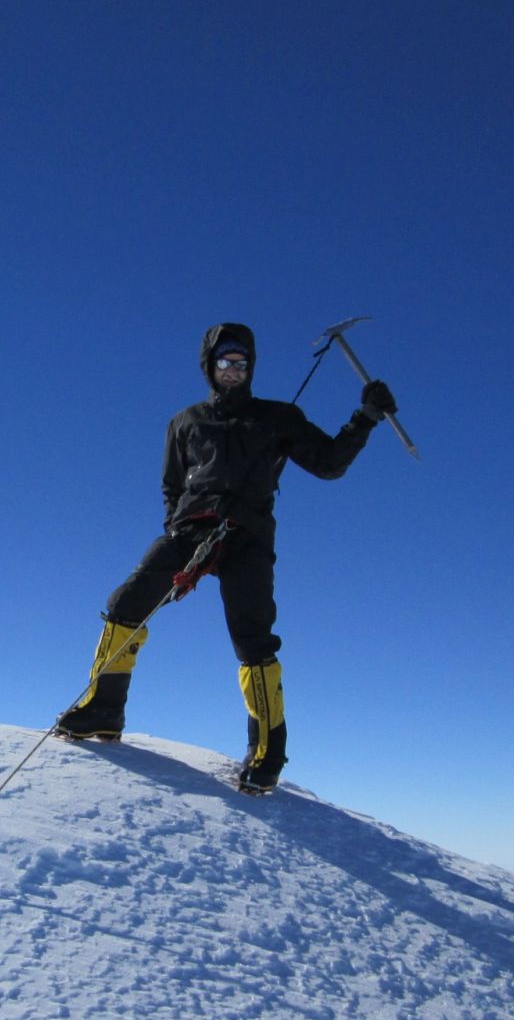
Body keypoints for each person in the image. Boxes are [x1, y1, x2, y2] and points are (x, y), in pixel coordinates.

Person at [52, 321, 397, 793]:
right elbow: (172, 484)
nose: (233, 370)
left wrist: (365, 418)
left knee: (252, 640)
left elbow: (328, 463)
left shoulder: (278, 416)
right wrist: (176, 525)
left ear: (251, 368)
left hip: (248, 536)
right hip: (191, 530)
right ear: (209, 367)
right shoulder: (185, 422)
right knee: (126, 601)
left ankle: (267, 753)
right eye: (224, 362)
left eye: (242, 363)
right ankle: (104, 710)